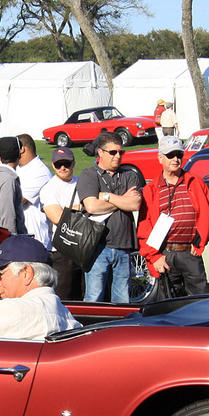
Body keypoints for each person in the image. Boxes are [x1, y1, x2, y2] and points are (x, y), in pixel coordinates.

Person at [137, 135, 209, 300]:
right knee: (167, 306)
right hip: (165, 254)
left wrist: (201, 242)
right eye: (170, 155)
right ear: (160, 158)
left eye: (178, 155)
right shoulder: (151, 189)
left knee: (202, 304)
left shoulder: (196, 182)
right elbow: (144, 228)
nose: (175, 159)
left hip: (190, 253)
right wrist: (155, 257)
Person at [77, 130, 143, 303]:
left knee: (123, 298)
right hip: (98, 246)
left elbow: (134, 204)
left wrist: (106, 196)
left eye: (121, 152)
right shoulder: (89, 175)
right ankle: (92, 330)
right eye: (113, 152)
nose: (118, 156)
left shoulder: (130, 175)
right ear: (100, 152)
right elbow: (91, 206)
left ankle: (121, 329)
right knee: (94, 296)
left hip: (124, 245)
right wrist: (123, 201)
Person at [39, 146, 84, 299]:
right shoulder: (48, 188)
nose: (63, 168)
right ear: (53, 165)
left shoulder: (83, 183)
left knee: (86, 296)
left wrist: (69, 209)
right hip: (62, 250)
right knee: (63, 297)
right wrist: (83, 207)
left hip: (85, 248)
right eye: (59, 164)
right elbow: (58, 217)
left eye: (67, 163)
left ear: (73, 163)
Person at [15, 134, 53, 247]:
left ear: (22, 149)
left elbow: (18, 201)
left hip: (36, 238)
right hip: (20, 236)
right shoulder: (18, 168)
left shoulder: (40, 172)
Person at [0, 137, 26, 234]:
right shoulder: (9, 180)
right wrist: (11, 242)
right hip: (9, 240)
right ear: (19, 155)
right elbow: (8, 217)